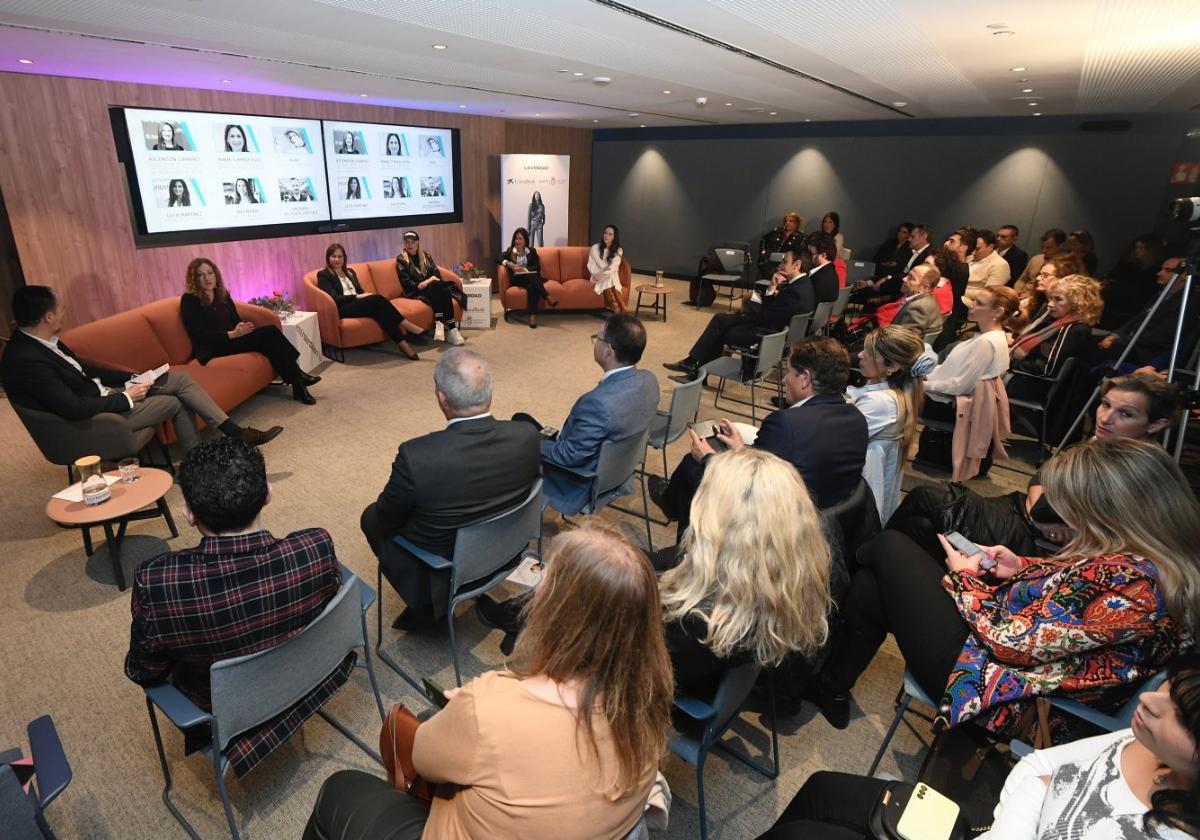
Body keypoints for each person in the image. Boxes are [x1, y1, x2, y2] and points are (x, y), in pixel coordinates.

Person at [303, 524, 673, 840]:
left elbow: (421, 760)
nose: (537, 582)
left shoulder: (490, 705)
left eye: (546, 576)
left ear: (558, 613)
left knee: (341, 788)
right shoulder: (649, 704)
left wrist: (474, 712)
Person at [806, 436, 1199, 732]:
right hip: (1005, 657)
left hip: (998, 688)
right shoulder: (1145, 567)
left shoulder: (1132, 583)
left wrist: (964, 579)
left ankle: (819, 612)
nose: (1069, 521)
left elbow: (1008, 642)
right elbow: (1067, 600)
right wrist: (1021, 567)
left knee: (890, 546)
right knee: (876, 583)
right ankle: (830, 685)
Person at [762, 651, 1200, 840]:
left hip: (991, 825)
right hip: (979, 827)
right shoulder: (1143, 740)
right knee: (822, 788)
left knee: (803, 835)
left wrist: (1040, 790)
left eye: (1177, 712)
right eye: (1167, 688)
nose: (1150, 699)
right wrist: (1035, 792)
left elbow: (1040, 777)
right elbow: (1033, 768)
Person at [125, 437, 348, 778]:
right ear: (269, 494)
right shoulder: (315, 546)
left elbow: (144, 671)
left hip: (231, 718)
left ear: (188, 515)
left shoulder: (158, 584)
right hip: (314, 681)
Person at [888, 372, 1181, 558]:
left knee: (926, 500)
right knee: (920, 525)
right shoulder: (1103, 442)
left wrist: (1043, 512)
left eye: (1125, 414)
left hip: (1038, 542)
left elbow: (1103, 534)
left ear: (1156, 424)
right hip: (1025, 515)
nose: (1106, 418)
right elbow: (1040, 479)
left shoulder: (1137, 468)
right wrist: (1042, 509)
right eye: (1105, 405)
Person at [360, 349, 540, 631]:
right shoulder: (526, 436)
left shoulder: (417, 456)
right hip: (507, 552)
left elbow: (386, 518)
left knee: (371, 517)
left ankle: (429, 605)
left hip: (453, 564)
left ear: (442, 399)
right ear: (489, 393)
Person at [2, 286, 281, 451]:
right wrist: (125, 397)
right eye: (61, 309)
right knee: (173, 401)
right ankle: (204, 456)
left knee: (179, 379)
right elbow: (73, 408)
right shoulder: (27, 360)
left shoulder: (43, 339)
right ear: (48, 316)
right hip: (90, 419)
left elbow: (84, 368)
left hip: (101, 394)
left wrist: (134, 377)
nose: (64, 313)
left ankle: (230, 435)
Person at [660, 447, 838, 701]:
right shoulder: (788, 577)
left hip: (675, 693)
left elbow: (644, 677)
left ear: (726, 523)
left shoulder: (694, 622)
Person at [653, 337, 868, 537]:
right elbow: (789, 464)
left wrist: (709, 458)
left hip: (777, 523)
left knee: (694, 466)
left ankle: (676, 521)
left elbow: (752, 485)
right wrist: (740, 448)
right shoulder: (857, 418)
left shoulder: (787, 423)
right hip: (825, 517)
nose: (784, 379)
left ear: (805, 379)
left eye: (789, 372)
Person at [527, 313, 659, 516]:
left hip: (579, 479)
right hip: (618, 468)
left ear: (608, 350)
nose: (595, 342)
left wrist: (528, 444)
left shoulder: (597, 404)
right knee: (523, 420)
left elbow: (569, 456)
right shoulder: (650, 381)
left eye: (597, 338)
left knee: (516, 439)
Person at [179, 258, 320, 404]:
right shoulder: (190, 300)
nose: (207, 278)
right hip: (213, 348)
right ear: (194, 279)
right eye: (201, 275)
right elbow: (199, 334)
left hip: (233, 338)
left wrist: (241, 328)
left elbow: (235, 319)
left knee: (270, 337)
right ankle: (299, 379)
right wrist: (231, 334)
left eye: (210, 273)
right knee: (269, 334)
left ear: (216, 274)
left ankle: (298, 384)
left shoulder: (222, 294)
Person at [662, 246, 813, 382]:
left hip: (767, 336)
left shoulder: (794, 292)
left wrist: (747, 314)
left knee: (721, 326)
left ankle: (694, 368)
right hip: (773, 332)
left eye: (784, 262)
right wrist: (772, 287)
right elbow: (771, 312)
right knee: (721, 320)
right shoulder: (803, 286)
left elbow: (765, 316)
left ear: (797, 265)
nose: (780, 266)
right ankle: (695, 369)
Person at [849, 327, 936, 521]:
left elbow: (839, 438)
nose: (860, 355)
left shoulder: (881, 402)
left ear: (893, 366)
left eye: (869, 353)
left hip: (862, 480)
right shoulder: (896, 393)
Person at [923, 286, 1020, 418]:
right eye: (974, 300)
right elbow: (952, 373)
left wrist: (922, 385)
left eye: (979, 303)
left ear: (997, 312)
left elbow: (959, 386)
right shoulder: (992, 337)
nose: (971, 305)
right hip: (943, 396)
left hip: (947, 406)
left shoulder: (986, 343)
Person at [315, 243, 420, 359]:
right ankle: (404, 323)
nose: (336, 259)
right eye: (333, 256)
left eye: (340, 257)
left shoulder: (350, 272)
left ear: (344, 258)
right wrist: (356, 297)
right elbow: (333, 298)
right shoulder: (323, 275)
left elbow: (359, 291)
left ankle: (403, 345)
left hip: (356, 304)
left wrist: (362, 296)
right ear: (328, 258)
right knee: (378, 299)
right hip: (342, 307)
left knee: (380, 313)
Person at [1009, 274, 1102, 383]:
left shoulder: (1075, 328)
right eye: (1051, 298)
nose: (1050, 304)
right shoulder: (1057, 320)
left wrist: (1008, 363)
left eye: (1058, 299)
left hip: (1029, 384)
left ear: (1077, 303)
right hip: (1019, 376)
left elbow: (1043, 368)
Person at [395, 229, 466, 346]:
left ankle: (442, 324)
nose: (409, 245)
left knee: (439, 287)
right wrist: (428, 281)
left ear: (418, 243)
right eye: (406, 242)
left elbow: (436, 274)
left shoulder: (426, 256)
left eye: (412, 242)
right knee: (440, 287)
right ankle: (451, 328)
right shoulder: (401, 259)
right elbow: (407, 283)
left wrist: (428, 281)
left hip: (432, 287)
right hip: (415, 291)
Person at [1101, 233, 1165, 330]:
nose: (1137, 251)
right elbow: (1111, 276)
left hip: (1134, 308)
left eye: (1141, 248)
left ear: (1151, 250)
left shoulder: (1157, 270)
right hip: (1115, 302)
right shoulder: (1128, 264)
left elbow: (1146, 292)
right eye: (1136, 248)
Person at [498, 226, 557, 328]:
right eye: (516, 238)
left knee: (531, 285)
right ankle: (547, 296)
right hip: (517, 279)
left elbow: (537, 267)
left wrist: (525, 269)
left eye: (520, 239)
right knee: (533, 278)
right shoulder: (510, 251)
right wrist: (508, 263)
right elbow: (497, 258)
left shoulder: (531, 251)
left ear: (525, 240)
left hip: (529, 278)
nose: (517, 241)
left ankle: (532, 316)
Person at [891, 263, 943, 334]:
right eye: (908, 275)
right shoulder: (928, 298)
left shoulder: (917, 308)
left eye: (911, 278)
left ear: (925, 288)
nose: (904, 279)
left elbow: (903, 341)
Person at [1013, 228, 1067, 296]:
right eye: (1042, 247)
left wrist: (1030, 296)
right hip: (1022, 293)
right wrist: (1017, 291)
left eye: (1049, 248)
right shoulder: (1036, 259)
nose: (1044, 250)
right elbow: (1022, 279)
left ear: (1060, 246)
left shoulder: (1065, 265)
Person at [587, 223, 625, 313]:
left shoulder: (618, 250)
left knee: (609, 278)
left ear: (614, 237)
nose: (606, 236)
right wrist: (597, 274)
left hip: (608, 276)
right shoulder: (595, 248)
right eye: (605, 233)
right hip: (596, 276)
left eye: (610, 234)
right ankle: (622, 308)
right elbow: (591, 265)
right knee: (610, 278)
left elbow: (614, 266)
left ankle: (616, 308)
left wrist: (604, 274)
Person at [757, 211, 805, 279]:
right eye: (786, 221)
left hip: (785, 265)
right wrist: (762, 252)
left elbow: (800, 253)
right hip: (769, 262)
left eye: (791, 221)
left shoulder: (801, 237)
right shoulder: (777, 231)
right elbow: (763, 239)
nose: (787, 223)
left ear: (796, 223)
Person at [805, 232, 840, 304]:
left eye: (811, 253)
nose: (807, 256)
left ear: (823, 255)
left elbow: (807, 304)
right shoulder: (831, 270)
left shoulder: (819, 278)